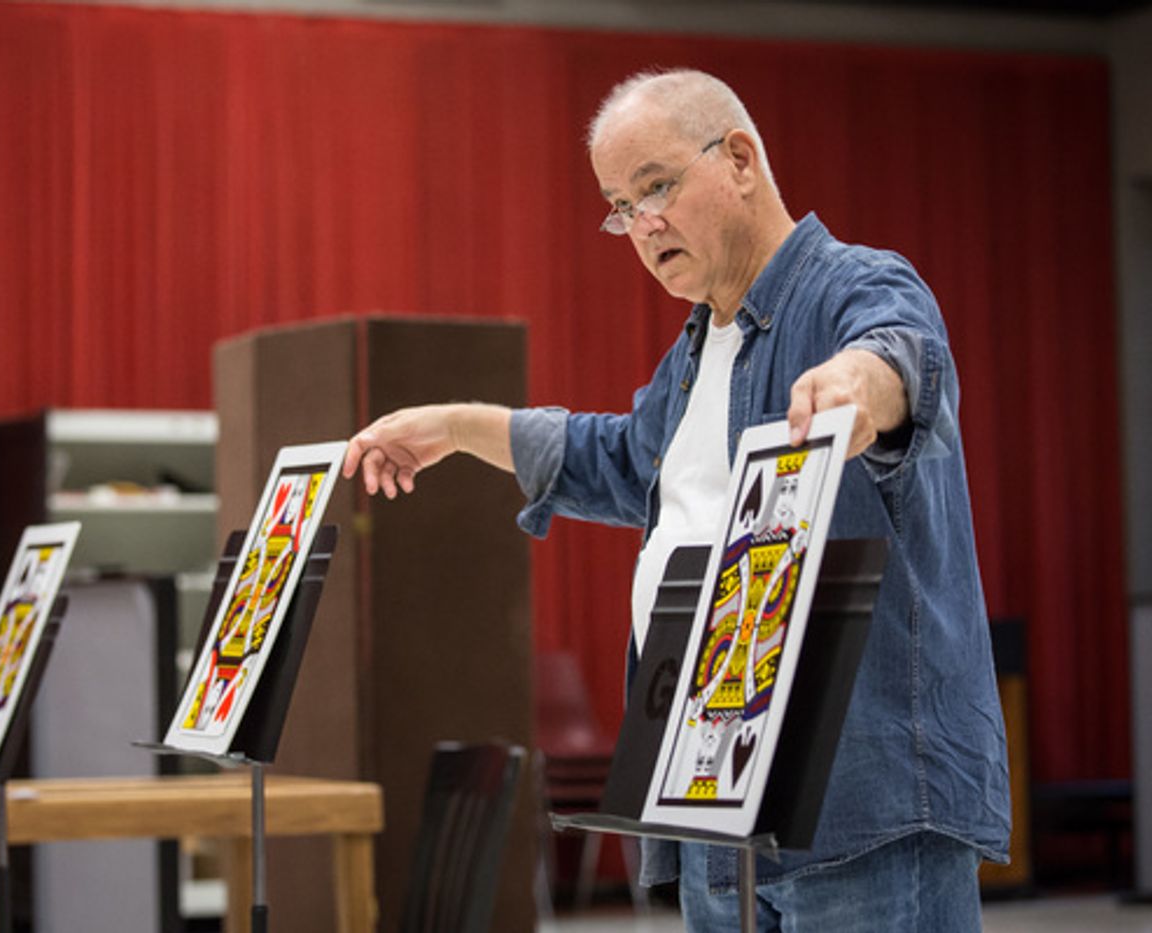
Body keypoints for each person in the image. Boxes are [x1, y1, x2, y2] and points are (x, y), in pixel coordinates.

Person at [341, 68, 1009, 931]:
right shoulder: (695, 354)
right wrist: (459, 427)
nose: (642, 224)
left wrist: (858, 383)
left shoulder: (855, 283)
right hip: (716, 805)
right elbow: (622, 459)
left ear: (740, 159)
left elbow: (901, 353)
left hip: (857, 813)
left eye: (655, 187)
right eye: (621, 207)